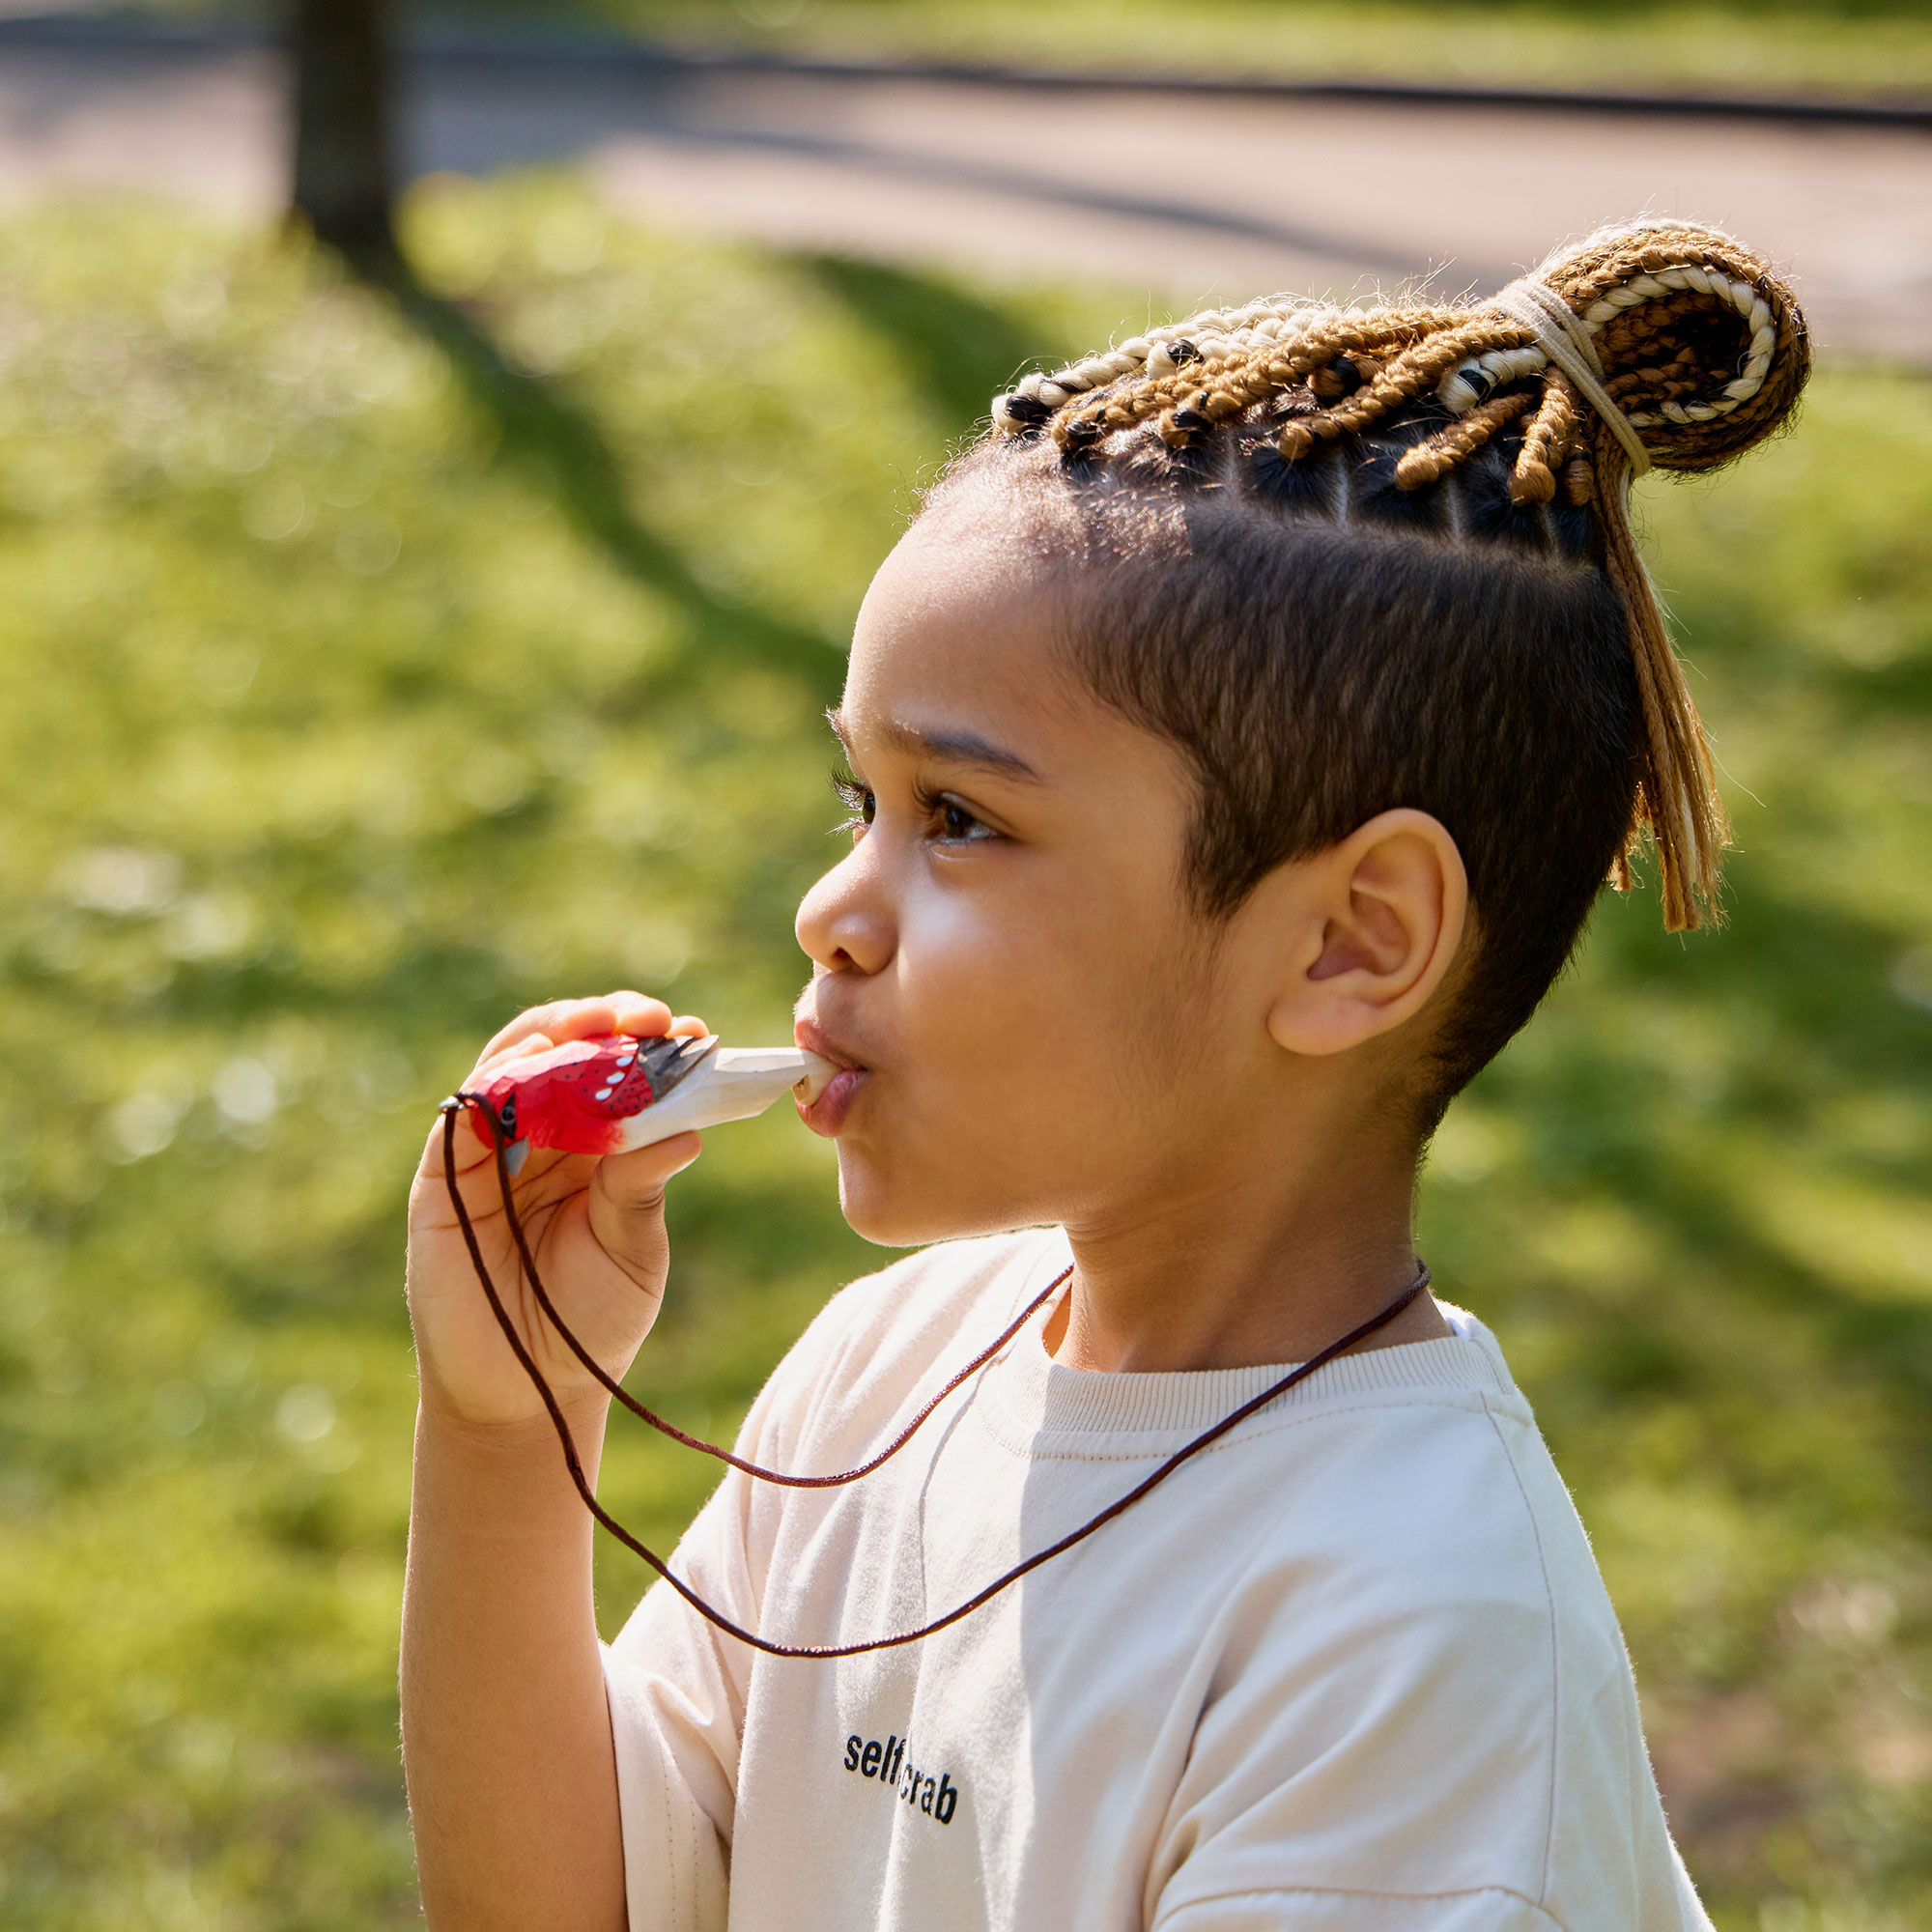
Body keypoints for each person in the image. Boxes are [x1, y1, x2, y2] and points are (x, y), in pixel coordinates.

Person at [398, 218, 1808, 1931]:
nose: (834, 911)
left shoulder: (1404, 1628)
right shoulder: (891, 1369)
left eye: (964, 821)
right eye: (864, 804)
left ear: (1351, 942)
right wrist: (501, 1423)